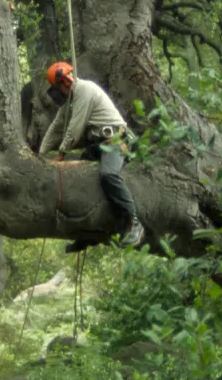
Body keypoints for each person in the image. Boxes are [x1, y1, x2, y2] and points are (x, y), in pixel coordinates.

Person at [39, 62, 144, 249]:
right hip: (97, 147)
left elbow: (75, 128)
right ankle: (88, 233)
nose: (59, 93)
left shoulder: (84, 90)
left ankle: (134, 222)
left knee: (108, 175)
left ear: (64, 82)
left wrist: (62, 153)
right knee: (77, 181)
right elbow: (56, 128)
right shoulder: (70, 102)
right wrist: (40, 154)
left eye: (58, 87)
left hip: (115, 141)